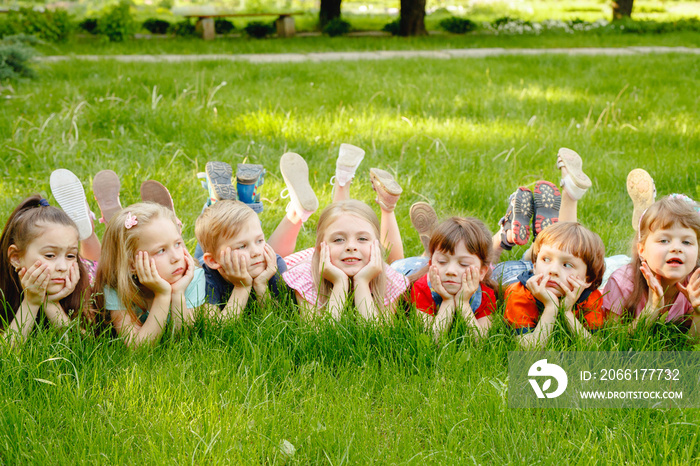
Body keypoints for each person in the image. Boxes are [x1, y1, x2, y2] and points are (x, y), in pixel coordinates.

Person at [94, 203, 206, 348]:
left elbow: (182, 339)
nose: (176, 257)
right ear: (132, 265)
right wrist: (162, 295)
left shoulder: (192, 276)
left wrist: (178, 293)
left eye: (178, 244)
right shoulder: (117, 287)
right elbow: (138, 347)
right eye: (161, 251)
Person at [283, 199, 409, 321]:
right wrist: (340, 283)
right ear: (320, 249)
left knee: (397, 263)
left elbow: (377, 335)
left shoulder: (389, 279)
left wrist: (362, 281)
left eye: (362, 239)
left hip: (338, 258)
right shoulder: (306, 276)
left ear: (377, 245)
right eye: (338, 239)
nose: (351, 247)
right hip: (302, 260)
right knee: (278, 261)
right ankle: (296, 208)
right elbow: (320, 335)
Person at [603, 196, 700, 337]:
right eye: (664, 240)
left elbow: (691, 344)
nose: (677, 248)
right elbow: (614, 339)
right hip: (615, 271)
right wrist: (652, 309)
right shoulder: (620, 284)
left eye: (686, 242)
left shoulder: (695, 285)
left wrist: (698, 313)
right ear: (642, 250)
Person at [0, 196, 90, 345]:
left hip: (92, 267)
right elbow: (5, 356)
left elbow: (84, 351)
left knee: (98, 262)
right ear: (16, 257)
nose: (62, 267)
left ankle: (90, 230)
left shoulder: (81, 285)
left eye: (70, 255)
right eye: (50, 255)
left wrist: (50, 303)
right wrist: (31, 302)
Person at [503, 221, 606, 348]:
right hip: (509, 273)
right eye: (546, 259)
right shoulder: (519, 293)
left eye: (567, 265)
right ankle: (505, 234)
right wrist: (551, 307)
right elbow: (529, 348)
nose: (553, 270)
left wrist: (567, 312)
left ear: (587, 279)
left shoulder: (591, 297)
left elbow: (593, 346)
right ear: (535, 266)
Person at [408, 217, 498, 341]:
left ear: (482, 272)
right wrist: (447, 301)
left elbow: (479, 342)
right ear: (431, 265)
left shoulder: (485, 295)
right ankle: (427, 253)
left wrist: (463, 303)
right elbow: (432, 340)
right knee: (407, 266)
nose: (451, 271)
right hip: (408, 266)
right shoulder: (421, 289)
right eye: (442, 261)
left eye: (464, 264)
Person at [195, 200, 285, 316]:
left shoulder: (273, 265)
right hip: (204, 262)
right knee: (198, 257)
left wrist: (261, 285)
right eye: (242, 246)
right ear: (213, 261)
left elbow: (279, 319)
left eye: (259, 241)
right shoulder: (204, 277)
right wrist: (241, 287)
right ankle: (212, 200)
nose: (256, 252)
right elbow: (215, 329)